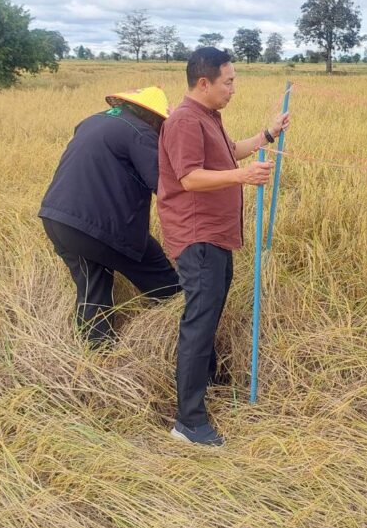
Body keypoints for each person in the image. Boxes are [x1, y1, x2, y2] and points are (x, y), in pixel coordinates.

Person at [158, 47, 290, 447]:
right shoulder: (184, 120)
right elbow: (190, 178)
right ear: (204, 83)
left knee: (209, 315)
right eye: (228, 82)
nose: (233, 89)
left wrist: (268, 135)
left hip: (214, 236)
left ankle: (206, 387)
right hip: (197, 236)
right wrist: (243, 177)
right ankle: (189, 422)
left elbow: (229, 152)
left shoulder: (207, 116)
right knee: (199, 323)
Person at [39, 87, 182, 346]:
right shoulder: (141, 132)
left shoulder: (93, 121)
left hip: (56, 219)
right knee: (158, 273)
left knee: (93, 286)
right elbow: (165, 187)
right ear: (153, 116)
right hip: (101, 224)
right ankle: (178, 321)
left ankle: (96, 352)